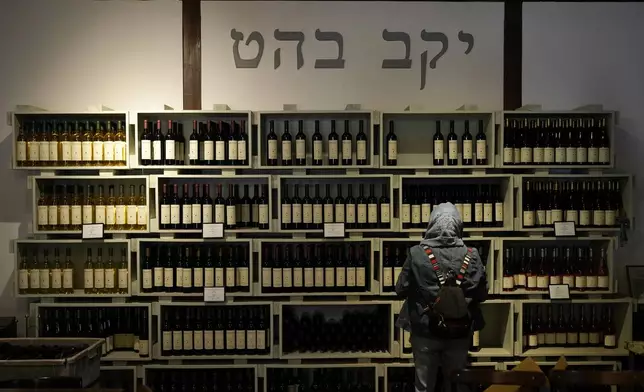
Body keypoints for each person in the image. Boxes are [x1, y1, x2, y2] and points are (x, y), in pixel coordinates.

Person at [395, 202, 488, 392]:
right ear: (458, 225)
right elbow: (482, 294)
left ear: (432, 223)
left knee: (423, 386)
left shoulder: (416, 253)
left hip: (424, 329)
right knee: (457, 385)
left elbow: (401, 289)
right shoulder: (473, 254)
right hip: (459, 331)